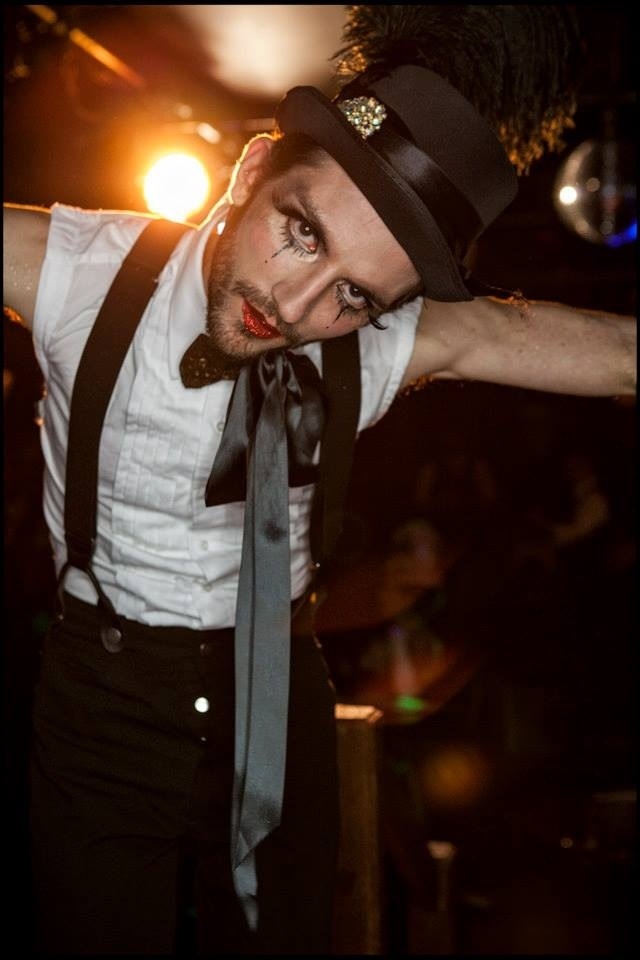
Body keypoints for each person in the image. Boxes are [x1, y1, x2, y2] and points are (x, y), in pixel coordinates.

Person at [3, 5, 636, 956]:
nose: (295, 308)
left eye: (353, 296)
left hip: (282, 697)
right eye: (301, 232)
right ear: (252, 170)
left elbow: (620, 357)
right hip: (101, 697)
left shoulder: (386, 348)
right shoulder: (76, 273)